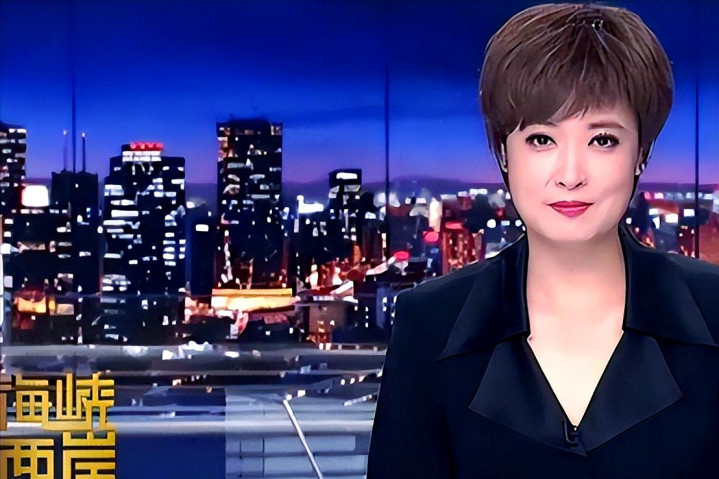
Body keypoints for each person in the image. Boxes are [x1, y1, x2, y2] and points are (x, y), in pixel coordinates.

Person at [366, 3, 719, 478]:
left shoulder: (714, 311)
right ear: (503, 152)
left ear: (641, 152)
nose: (570, 175)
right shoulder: (430, 323)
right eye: (541, 140)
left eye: (602, 140)